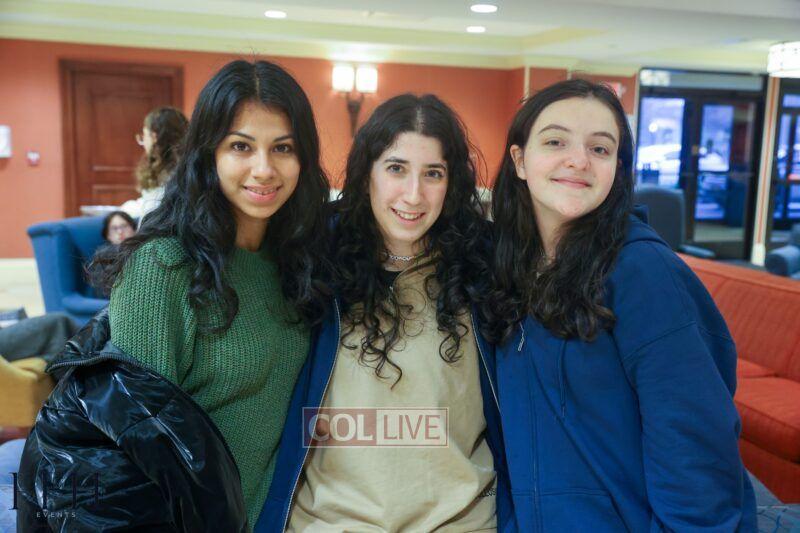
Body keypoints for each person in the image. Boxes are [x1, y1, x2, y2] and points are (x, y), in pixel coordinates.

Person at [17, 59, 331, 532]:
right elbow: (128, 452)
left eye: (282, 148)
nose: (264, 169)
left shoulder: (296, 262)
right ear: (208, 153)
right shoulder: (163, 266)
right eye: (241, 146)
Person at [482, 79, 756, 531]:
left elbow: (695, 450)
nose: (579, 160)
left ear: (617, 169)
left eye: (600, 149)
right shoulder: (510, 269)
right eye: (555, 142)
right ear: (519, 160)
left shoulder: (644, 272)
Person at [258, 94, 513, 532]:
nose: (413, 194)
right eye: (396, 168)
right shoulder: (313, 259)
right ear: (366, 174)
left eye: (433, 173)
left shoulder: (486, 265)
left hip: (461, 522)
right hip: (328, 523)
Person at [120, 106, 188, 220]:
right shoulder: (188, 167)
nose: (143, 142)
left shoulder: (167, 175)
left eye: (144, 135)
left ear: (154, 137)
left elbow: (151, 209)